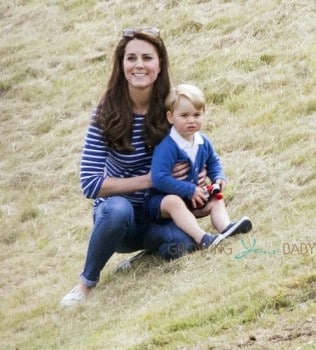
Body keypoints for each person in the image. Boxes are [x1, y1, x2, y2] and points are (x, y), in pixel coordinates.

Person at [61, 28, 211, 306]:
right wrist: (152, 179)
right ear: (121, 65)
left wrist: (198, 173)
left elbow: (196, 150)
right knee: (118, 208)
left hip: (161, 213)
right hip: (119, 222)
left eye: (147, 57)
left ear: (160, 64)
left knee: (184, 244)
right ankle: (85, 284)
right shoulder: (106, 113)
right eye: (131, 58)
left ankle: (144, 257)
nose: (139, 65)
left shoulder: (172, 108)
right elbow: (90, 184)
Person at [144, 83, 252, 249]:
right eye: (184, 115)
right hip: (161, 202)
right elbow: (158, 178)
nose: (191, 120)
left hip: (192, 198)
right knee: (174, 201)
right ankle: (203, 238)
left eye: (197, 114)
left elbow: (213, 161)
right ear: (170, 117)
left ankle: (226, 227)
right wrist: (189, 189)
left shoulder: (203, 141)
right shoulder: (167, 146)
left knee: (216, 198)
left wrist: (218, 177)